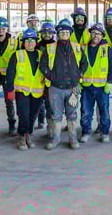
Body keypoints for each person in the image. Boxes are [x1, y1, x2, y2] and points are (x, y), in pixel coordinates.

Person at [39, 19, 88, 150]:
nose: (64, 34)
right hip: (56, 89)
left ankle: (73, 140)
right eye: (62, 32)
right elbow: (42, 65)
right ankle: (55, 140)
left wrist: (80, 74)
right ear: (58, 34)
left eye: (67, 31)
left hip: (73, 88)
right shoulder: (50, 48)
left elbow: (85, 63)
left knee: (72, 115)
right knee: (57, 115)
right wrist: (51, 76)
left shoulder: (77, 48)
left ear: (70, 33)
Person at [6, 29, 45, 151]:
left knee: (33, 115)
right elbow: (10, 72)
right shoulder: (17, 54)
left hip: (38, 91)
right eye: (27, 41)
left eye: (32, 40)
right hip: (21, 91)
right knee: (24, 115)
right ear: (23, 42)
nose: (30, 43)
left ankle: (28, 134)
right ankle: (21, 136)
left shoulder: (41, 55)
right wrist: (10, 89)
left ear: (36, 42)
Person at [79, 23, 112, 144]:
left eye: (99, 34)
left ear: (102, 36)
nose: (96, 36)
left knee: (104, 112)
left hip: (102, 87)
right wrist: (79, 81)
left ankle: (105, 133)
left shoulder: (107, 49)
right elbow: (77, 65)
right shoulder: (83, 48)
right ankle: (86, 132)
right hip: (86, 87)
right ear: (90, 34)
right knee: (86, 111)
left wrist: (110, 82)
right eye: (94, 33)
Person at [35, 21, 56, 133]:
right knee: (37, 102)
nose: (47, 35)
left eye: (49, 33)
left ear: (53, 33)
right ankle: (38, 122)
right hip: (37, 79)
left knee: (49, 103)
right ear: (41, 34)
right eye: (44, 33)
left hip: (50, 80)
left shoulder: (57, 46)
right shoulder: (36, 46)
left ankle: (50, 127)